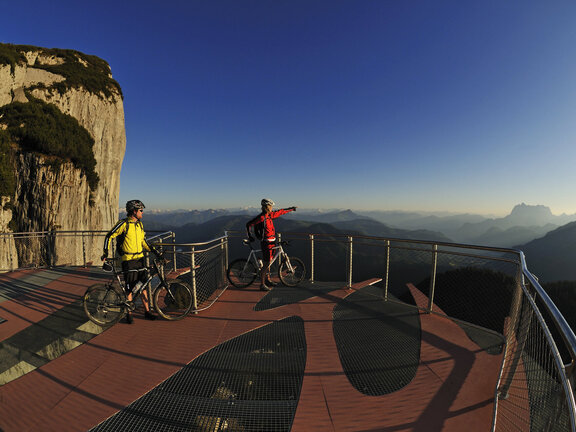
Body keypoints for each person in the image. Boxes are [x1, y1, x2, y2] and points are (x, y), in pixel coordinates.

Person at [101, 199, 161, 324]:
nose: (142, 213)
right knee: (130, 287)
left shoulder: (139, 224)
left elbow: (143, 242)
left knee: (143, 286)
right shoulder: (123, 224)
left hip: (140, 259)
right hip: (128, 260)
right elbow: (109, 235)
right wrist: (105, 253)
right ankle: (129, 314)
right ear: (134, 211)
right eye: (141, 210)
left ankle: (147, 312)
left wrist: (154, 251)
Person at [246, 198, 297, 291]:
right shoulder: (262, 217)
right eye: (271, 206)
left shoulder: (270, 215)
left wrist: (291, 209)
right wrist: (250, 237)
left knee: (268, 262)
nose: (272, 207)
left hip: (272, 242)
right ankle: (262, 284)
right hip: (266, 243)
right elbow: (249, 224)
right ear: (267, 206)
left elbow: (280, 212)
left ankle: (267, 280)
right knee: (266, 264)